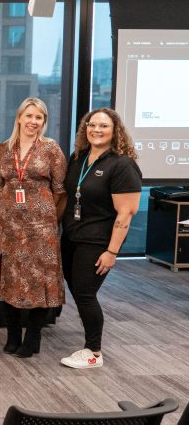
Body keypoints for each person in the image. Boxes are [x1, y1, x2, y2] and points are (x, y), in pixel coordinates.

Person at [60, 108, 141, 369]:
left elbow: (125, 213)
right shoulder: (79, 157)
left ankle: (94, 352)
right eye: (92, 125)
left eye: (104, 126)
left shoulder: (122, 164)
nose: (96, 130)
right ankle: (90, 343)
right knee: (78, 290)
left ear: (115, 131)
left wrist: (112, 252)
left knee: (85, 294)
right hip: (72, 237)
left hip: (97, 242)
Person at [0, 98, 67, 358]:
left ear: (44, 122)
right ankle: (12, 335)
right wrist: (17, 209)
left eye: (39, 118)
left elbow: (59, 190)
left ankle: (32, 337)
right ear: (19, 117)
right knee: (9, 278)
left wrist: (40, 212)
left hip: (40, 226)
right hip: (8, 225)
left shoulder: (50, 149)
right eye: (29, 116)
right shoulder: (3, 149)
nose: (34, 122)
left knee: (39, 280)